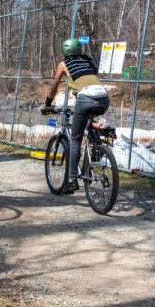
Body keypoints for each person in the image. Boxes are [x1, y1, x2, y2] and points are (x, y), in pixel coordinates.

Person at [41, 37, 110, 194]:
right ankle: (95, 146)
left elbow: (54, 87)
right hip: (104, 98)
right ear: (79, 50)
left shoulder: (63, 64)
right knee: (88, 122)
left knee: (75, 140)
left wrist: (47, 104)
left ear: (65, 51)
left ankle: (72, 181)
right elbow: (90, 79)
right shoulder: (89, 61)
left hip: (85, 98)